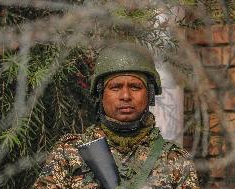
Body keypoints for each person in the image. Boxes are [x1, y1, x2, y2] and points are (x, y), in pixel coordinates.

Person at [33, 42, 200, 189]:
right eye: (115, 87)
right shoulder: (69, 153)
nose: (125, 96)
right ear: (101, 94)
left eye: (135, 87)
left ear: (149, 94)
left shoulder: (175, 160)